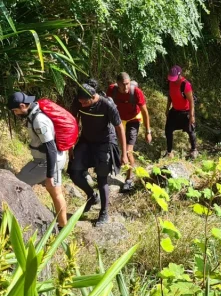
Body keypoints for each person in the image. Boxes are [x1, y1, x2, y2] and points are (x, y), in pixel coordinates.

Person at [69, 82, 128, 226]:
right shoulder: (78, 102)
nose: (81, 104)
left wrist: (124, 153)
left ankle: (103, 213)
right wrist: (70, 144)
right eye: (80, 101)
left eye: (84, 102)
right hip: (86, 140)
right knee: (74, 171)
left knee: (102, 178)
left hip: (105, 142)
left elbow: (119, 128)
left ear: (93, 96)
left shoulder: (107, 105)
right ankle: (91, 196)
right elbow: (73, 122)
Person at [7, 92, 67, 229]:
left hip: (46, 162)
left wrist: (49, 175)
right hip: (54, 159)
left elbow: (51, 148)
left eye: (15, 110)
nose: (15, 114)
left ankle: (14, 222)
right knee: (56, 193)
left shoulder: (39, 120)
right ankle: (63, 226)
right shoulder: (33, 112)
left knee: (16, 185)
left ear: (23, 106)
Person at [107, 72, 152, 192]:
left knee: (128, 152)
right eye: (123, 85)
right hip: (119, 120)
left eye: (127, 84)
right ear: (117, 84)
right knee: (112, 145)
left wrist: (148, 131)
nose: (126, 87)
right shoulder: (112, 90)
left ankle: (128, 179)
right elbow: (107, 106)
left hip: (133, 119)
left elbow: (145, 112)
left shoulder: (136, 92)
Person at [165, 65, 197, 158]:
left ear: (179, 75)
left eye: (174, 78)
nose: (172, 80)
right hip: (175, 111)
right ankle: (169, 152)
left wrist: (191, 116)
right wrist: (167, 109)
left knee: (190, 130)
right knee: (168, 130)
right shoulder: (170, 82)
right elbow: (170, 97)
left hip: (186, 112)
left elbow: (191, 101)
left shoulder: (185, 85)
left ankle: (194, 150)